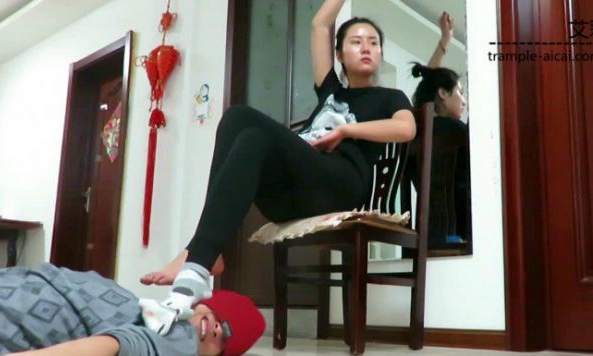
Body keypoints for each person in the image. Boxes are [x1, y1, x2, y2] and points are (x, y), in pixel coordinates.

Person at [140, 0, 415, 327]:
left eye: (374, 43)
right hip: (293, 194)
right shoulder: (330, 90)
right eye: (356, 42)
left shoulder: (389, 98)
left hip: (340, 183)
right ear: (340, 54)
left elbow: (406, 129)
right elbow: (319, 25)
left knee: (243, 119)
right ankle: (207, 255)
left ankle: (197, 260)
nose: (367, 48)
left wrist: (345, 130)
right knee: (245, 129)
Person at [0, 264, 265, 356]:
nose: (217, 329)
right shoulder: (148, 309)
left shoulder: (181, 337)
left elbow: (122, 347)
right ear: (201, 301)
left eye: (225, 339)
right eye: (220, 316)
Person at [410, 12, 469, 246]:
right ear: (443, 93)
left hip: (427, 232)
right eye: (460, 92)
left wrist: (445, 41)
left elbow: (428, 85)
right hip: (459, 231)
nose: (464, 101)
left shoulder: (416, 129)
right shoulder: (456, 130)